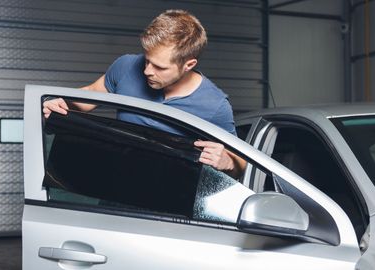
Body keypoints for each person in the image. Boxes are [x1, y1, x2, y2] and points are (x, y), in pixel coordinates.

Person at [43, 9, 246, 178]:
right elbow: (89, 95)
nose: (147, 70)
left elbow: (241, 162)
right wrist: (62, 102)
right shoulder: (125, 66)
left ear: (188, 64)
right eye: (147, 59)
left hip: (169, 201)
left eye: (159, 67)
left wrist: (228, 162)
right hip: (115, 186)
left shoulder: (214, 105)